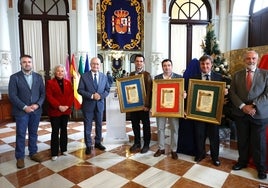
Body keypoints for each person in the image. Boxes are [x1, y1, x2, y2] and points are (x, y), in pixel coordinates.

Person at [230, 50, 268, 180]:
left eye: (253, 58)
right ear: (244, 60)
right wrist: (243, 106)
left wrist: (253, 106)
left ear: (257, 59)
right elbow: (232, 93)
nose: (250, 61)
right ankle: (242, 162)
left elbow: (267, 94)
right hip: (241, 114)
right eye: (248, 58)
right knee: (243, 140)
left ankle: (261, 168)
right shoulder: (236, 75)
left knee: (259, 143)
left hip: (259, 114)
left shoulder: (265, 74)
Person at [8, 54, 45, 169]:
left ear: (32, 63)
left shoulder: (38, 77)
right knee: (21, 134)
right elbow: (12, 95)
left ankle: (33, 152)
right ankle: (20, 157)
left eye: (29, 62)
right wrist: (24, 107)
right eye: (24, 62)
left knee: (33, 133)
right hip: (21, 112)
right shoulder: (14, 77)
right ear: (20, 64)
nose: (27, 64)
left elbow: (43, 94)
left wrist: (37, 105)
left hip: (35, 111)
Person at [190, 55, 227, 166]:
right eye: (203, 64)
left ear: (211, 65)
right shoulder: (194, 78)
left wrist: (224, 92)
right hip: (199, 112)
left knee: (214, 136)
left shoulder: (219, 77)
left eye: (207, 64)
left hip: (213, 113)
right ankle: (200, 154)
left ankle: (215, 157)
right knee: (199, 134)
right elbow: (190, 95)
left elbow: (223, 97)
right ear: (200, 65)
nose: (205, 66)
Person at [78, 57, 110, 155]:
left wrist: (100, 96)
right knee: (88, 126)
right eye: (93, 64)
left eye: (97, 64)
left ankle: (98, 142)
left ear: (100, 65)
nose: (95, 66)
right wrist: (92, 96)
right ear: (91, 64)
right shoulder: (84, 76)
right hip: (88, 105)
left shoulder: (104, 77)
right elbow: (80, 90)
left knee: (99, 125)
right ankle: (88, 145)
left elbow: (107, 90)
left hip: (99, 105)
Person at [154, 59, 183, 160]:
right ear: (162, 67)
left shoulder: (179, 78)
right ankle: (161, 148)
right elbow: (155, 93)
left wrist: (183, 94)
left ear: (172, 66)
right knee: (160, 128)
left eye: (169, 65)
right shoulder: (157, 78)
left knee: (175, 129)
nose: (167, 67)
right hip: (160, 107)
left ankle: (174, 150)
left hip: (174, 108)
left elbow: (182, 91)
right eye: (165, 66)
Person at [46, 64, 74, 161]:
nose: (60, 73)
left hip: (65, 111)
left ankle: (64, 149)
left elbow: (71, 95)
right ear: (55, 72)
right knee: (55, 131)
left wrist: (66, 106)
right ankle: (54, 152)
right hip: (55, 111)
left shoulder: (68, 82)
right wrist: (59, 106)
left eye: (62, 71)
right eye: (58, 71)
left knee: (64, 130)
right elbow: (49, 96)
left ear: (64, 73)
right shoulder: (50, 83)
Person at [129, 54, 152, 153]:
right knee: (135, 125)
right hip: (133, 106)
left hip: (144, 106)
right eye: (137, 61)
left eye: (141, 61)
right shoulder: (131, 74)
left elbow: (150, 91)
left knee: (146, 125)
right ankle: (137, 142)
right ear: (134, 62)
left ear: (144, 63)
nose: (139, 63)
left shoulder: (147, 75)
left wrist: (147, 106)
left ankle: (146, 144)